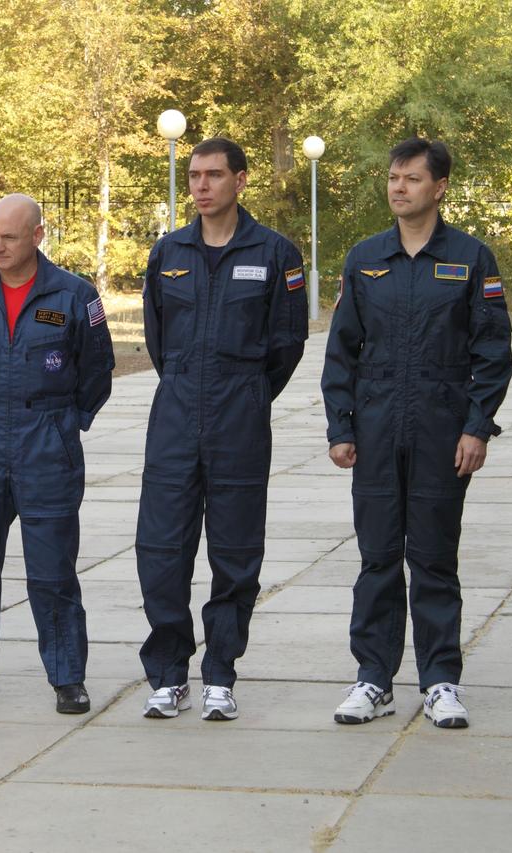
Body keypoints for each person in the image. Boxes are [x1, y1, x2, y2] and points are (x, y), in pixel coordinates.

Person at [322, 137, 512, 729]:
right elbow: (341, 352)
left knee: (433, 560)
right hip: (376, 432)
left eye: (410, 178)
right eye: (393, 177)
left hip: (440, 433)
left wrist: (477, 426)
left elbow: (493, 351)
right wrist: (341, 425)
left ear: (439, 187)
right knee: (378, 559)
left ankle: (439, 681)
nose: (398, 187)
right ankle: (373, 679)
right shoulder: (365, 258)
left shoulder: (470, 258)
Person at [136, 137, 308, 721]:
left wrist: (249, 392)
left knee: (235, 553)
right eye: (193, 176)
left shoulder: (276, 252)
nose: (201, 186)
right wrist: (188, 385)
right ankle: (167, 673)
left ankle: (220, 674)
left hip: (240, 418)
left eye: (213, 175)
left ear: (240, 180)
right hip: (176, 415)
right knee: (161, 549)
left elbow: (288, 341)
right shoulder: (169, 252)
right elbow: (159, 341)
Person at [0, 193, 114, 715]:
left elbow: (97, 369)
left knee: (52, 571)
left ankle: (67, 678)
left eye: (8, 237)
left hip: (47, 442)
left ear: (37, 235)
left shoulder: (76, 294)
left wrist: (65, 422)